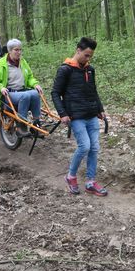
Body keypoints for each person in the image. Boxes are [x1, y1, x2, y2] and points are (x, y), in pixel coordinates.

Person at [51, 37, 108, 197]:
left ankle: (90, 182)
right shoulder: (65, 69)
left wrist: (100, 109)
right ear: (78, 50)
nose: (88, 58)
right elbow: (55, 93)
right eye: (86, 55)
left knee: (94, 148)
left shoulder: (90, 69)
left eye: (91, 56)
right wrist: (62, 114)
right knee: (85, 146)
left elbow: (94, 91)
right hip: (75, 116)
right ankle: (70, 176)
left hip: (91, 115)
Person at [0, 39, 42, 137]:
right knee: (25, 96)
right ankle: (21, 126)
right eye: (16, 50)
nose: (19, 52)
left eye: (20, 50)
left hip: (21, 91)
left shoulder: (22, 62)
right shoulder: (2, 64)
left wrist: (35, 84)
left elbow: (29, 77)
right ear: (10, 51)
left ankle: (36, 123)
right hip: (8, 94)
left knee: (36, 93)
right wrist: (0, 87)